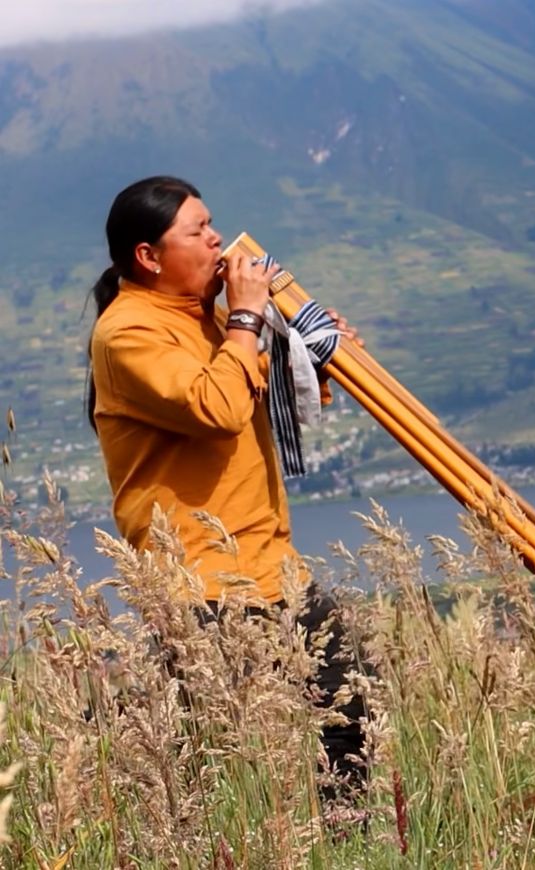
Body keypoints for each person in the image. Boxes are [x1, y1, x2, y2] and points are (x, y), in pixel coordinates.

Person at [86, 176, 370, 807]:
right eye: (198, 230)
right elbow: (215, 406)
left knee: (353, 715)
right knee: (222, 757)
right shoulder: (126, 334)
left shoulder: (208, 322)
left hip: (272, 565)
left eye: (213, 224)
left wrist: (313, 352)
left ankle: (352, 843)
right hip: (201, 581)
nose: (217, 239)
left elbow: (259, 395)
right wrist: (245, 314)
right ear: (149, 256)